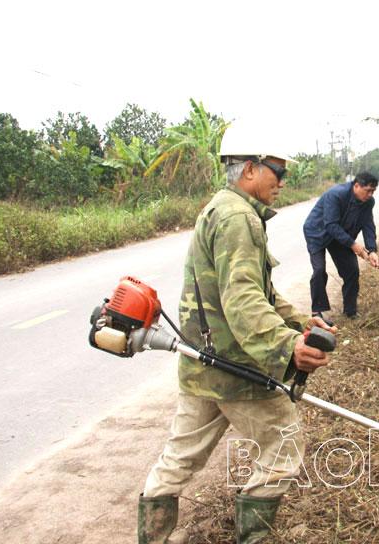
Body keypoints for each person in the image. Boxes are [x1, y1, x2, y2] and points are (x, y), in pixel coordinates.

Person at [138, 125, 336, 544]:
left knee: (179, 458)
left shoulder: (223, 208)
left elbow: (259, 292)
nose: (283, 182)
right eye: (277, 171)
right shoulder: (238, 218)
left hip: (200, 363)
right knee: (284, 446)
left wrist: (300, 323)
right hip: (232, 368)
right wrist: (288, 349)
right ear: (250, 169)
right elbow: (242, 300)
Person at [302, 172, 379, 319]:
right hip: (318, 232)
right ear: (356, 185)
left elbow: (368, 224)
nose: (370, 194)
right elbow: (331, 225)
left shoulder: (368, 202)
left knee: (352, 270)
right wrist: (353, 245)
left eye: (373, 191)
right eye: (367, 190)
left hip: (340, 236)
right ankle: (317, 312)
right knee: (319, 270)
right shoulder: (336, 194)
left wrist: (372, 250)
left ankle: (350, 311)